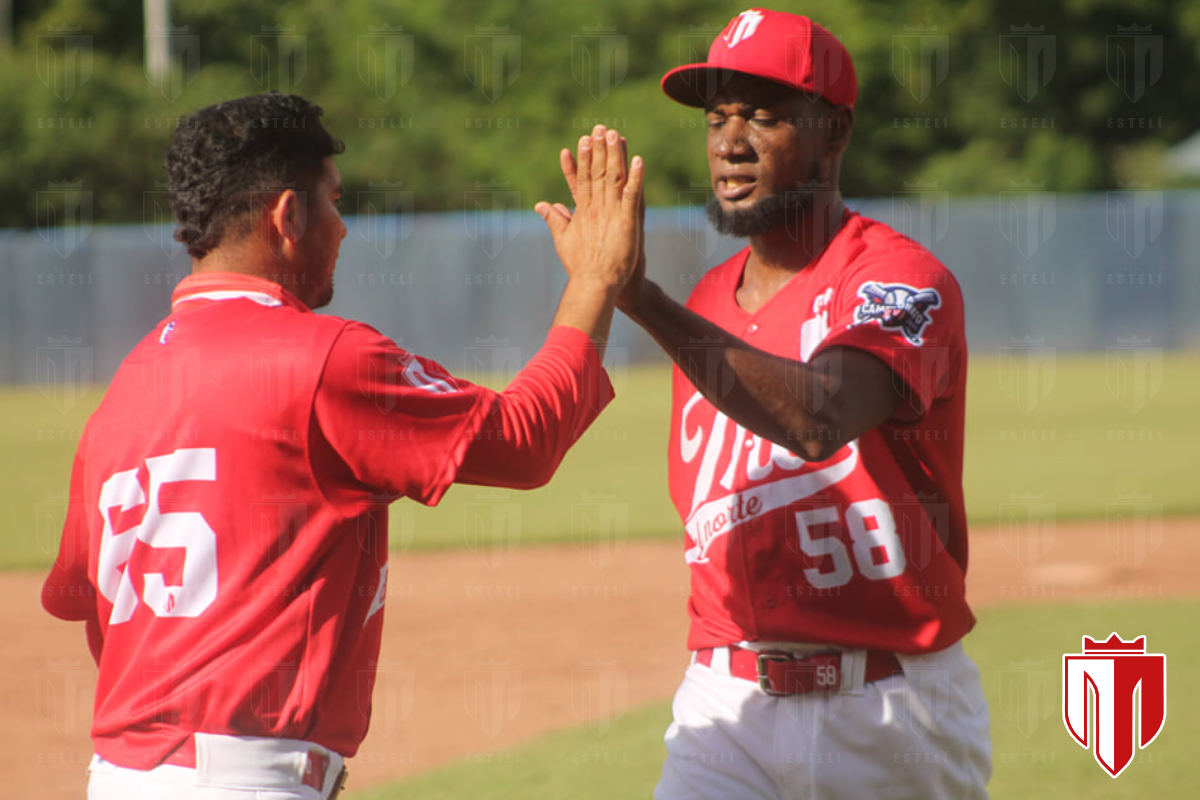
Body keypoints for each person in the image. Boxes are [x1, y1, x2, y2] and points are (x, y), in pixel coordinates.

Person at [41, 92, 644, 800]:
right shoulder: (325, 359)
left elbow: (90, 603)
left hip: (119, 778)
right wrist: (594, 280)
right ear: (287, 216)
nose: (345, 226)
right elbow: (524, 439)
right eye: (333, 201)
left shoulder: (125, 387)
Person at [558, 9, 992, 799]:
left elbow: (819, 417)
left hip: (891, 711)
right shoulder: (705, 304)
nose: (729, 141)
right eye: (718, 116)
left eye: (763, 114)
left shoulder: (898, 281)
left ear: (834, 132)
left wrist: (638, 298)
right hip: (727, 703)